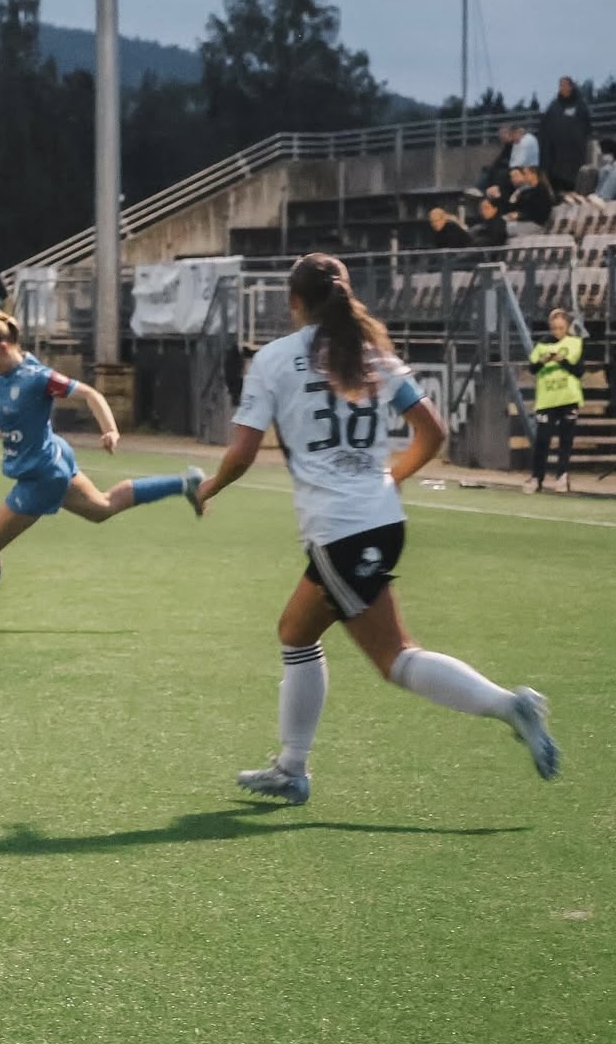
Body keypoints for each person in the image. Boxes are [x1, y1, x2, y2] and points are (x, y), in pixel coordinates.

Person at [192, 253, 560, 805]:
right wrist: (390, 478)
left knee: (396, 657)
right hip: (378, 519)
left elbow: (243, 452)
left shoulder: (273, 360)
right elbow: (432, 433)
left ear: (294, 303)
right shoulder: (371, 354)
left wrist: (209, 487)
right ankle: (291, 767)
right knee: (296, 632)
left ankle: (511, 706)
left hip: (342, 529)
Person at [0, 309, 204, 632]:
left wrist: (110, 430)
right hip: (53, 461)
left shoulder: (38, 378)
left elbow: (90, 394)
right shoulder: (0, 376)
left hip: (41, 477)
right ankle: (185, 483)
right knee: (102, 508)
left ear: (4, 347)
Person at [522, 308, 584, 495]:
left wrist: (562, 361)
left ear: (567, 327)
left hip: (568, 398)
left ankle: (562, 476)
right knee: (542, 440)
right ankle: (537, 477)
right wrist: (543, 360)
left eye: (561, 328)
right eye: (554, 328)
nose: (558, 332)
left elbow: (579, 370)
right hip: (547, 399)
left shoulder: (575, 343)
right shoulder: (542, 345)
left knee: (566, 440)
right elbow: (532, 368)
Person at [538, 76, 592, 196]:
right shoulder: (553, 106)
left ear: (570, 86)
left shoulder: (580, 105)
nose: (562, 88)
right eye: (560, 85)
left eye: (564, 85)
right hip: (556, 155)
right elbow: (544, 127)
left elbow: (587, 127)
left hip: (574, 154)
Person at [503, 165, 553, 236]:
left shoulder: (541, 191)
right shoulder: (527, 191)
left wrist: (519, 216)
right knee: (500, 224)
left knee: (504, 229)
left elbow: (539, 214)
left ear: (534, 174)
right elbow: (518, 207)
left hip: (536, 225)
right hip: (524, 222)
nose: (524, 176)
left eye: (526, 173)